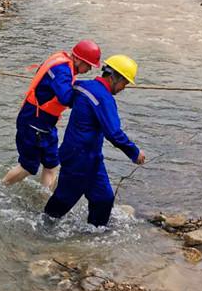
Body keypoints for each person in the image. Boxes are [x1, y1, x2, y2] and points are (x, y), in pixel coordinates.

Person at [44, 55, 146, 227]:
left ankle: (94, 236)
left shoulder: (84, 87)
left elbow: (70, 92)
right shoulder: (104, 99)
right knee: (63, 201)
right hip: (80, 158)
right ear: (114, 77)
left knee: (104, 199)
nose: (123, 88)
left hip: (88, 156)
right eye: (125, 83)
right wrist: (134, 152)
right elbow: (113, 133)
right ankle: (40, 230)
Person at [2, 40, 102, 190]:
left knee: (52, 164)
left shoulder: (62, 62)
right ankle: (1, 187)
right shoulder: (62, 70)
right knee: (28, 166)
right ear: (78, 59)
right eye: (88, 65)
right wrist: (87, 93)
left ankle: (45, 201)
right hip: (33, 121)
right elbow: (66, 98)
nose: (89, 69)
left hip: (46, 124)